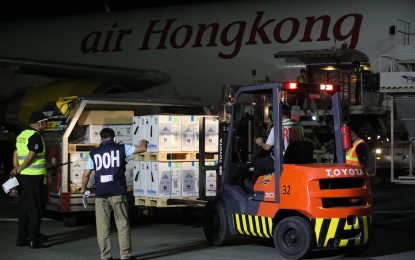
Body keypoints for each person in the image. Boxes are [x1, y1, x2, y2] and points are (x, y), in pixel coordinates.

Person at [81, 127, 148, 260]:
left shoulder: (94, 153)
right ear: (114, 137)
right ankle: (125, 256)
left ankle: (105, 256)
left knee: (102, 229)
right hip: (118, 193)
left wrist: (84, 189)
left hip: (100, 195)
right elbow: (142, 149)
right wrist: (143, 141)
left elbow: (86, 174)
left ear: (101, 138)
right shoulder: (121, 148)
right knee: (122, 225)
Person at [12, 111, 48, 249]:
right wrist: (20, 167)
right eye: (45, 122)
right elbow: (32, 155)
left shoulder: (22, 135)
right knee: (35, 210)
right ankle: (34, 240)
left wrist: (16, 168)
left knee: (24, 209)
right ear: (40, 123)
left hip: (22, 178)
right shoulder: (35, 136)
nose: (46, 124)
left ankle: (21, 238)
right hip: (34, 178)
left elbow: (15, 153)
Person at [252, 104, 304, 185]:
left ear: (278, 114)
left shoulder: (278, 127)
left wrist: (261, 142)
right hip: (296, 160)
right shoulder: (299, 126)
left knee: (258, 162)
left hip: (282, 161)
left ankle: (255, 188)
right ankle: (269, 182)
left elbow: (267, 148)